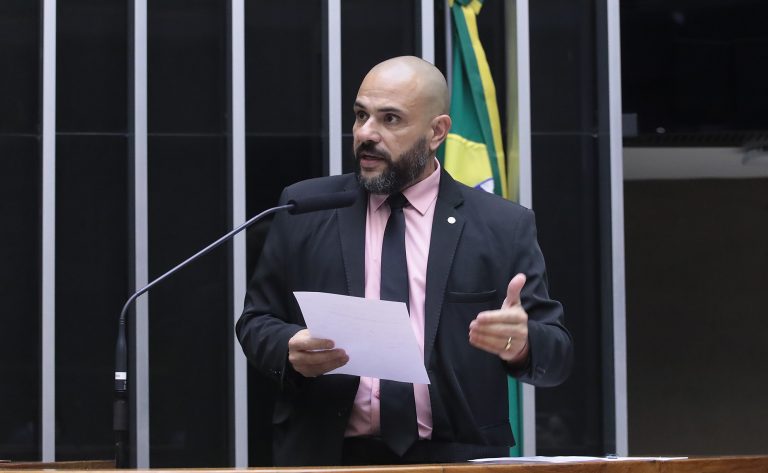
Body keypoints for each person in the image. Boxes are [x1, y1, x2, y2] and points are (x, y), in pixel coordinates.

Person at [236, 56, 573, 466]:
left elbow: (556, 355)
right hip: (326, 456)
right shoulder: (305, 208)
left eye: (390, 119)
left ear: (437, 132)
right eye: (361, 115)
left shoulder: (502, 225)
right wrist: (288, 348)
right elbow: (256, 322)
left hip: (455, 459)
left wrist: (521, 344)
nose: (366, 133)